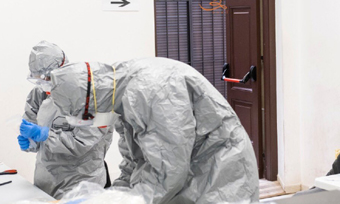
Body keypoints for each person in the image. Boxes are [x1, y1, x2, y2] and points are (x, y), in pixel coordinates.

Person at [26, 58, 259, 203]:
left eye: (85, 118)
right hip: (186, 178)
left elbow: (168, 172)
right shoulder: (118, 99)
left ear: (90, 102)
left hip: (219, 175)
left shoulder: (152, 92)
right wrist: (109, 195)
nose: (88, 124)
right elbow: (134, 163)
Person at [18, 41, 113, 198]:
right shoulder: (39, 93)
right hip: (46, 182)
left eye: (47, 79)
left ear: (63, 70)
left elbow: (81, 144)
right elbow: (31, 125)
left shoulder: (95, 98)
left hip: (82, 184)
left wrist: (45, 136)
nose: (43, 86)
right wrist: (30, 141)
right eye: (38, 80)